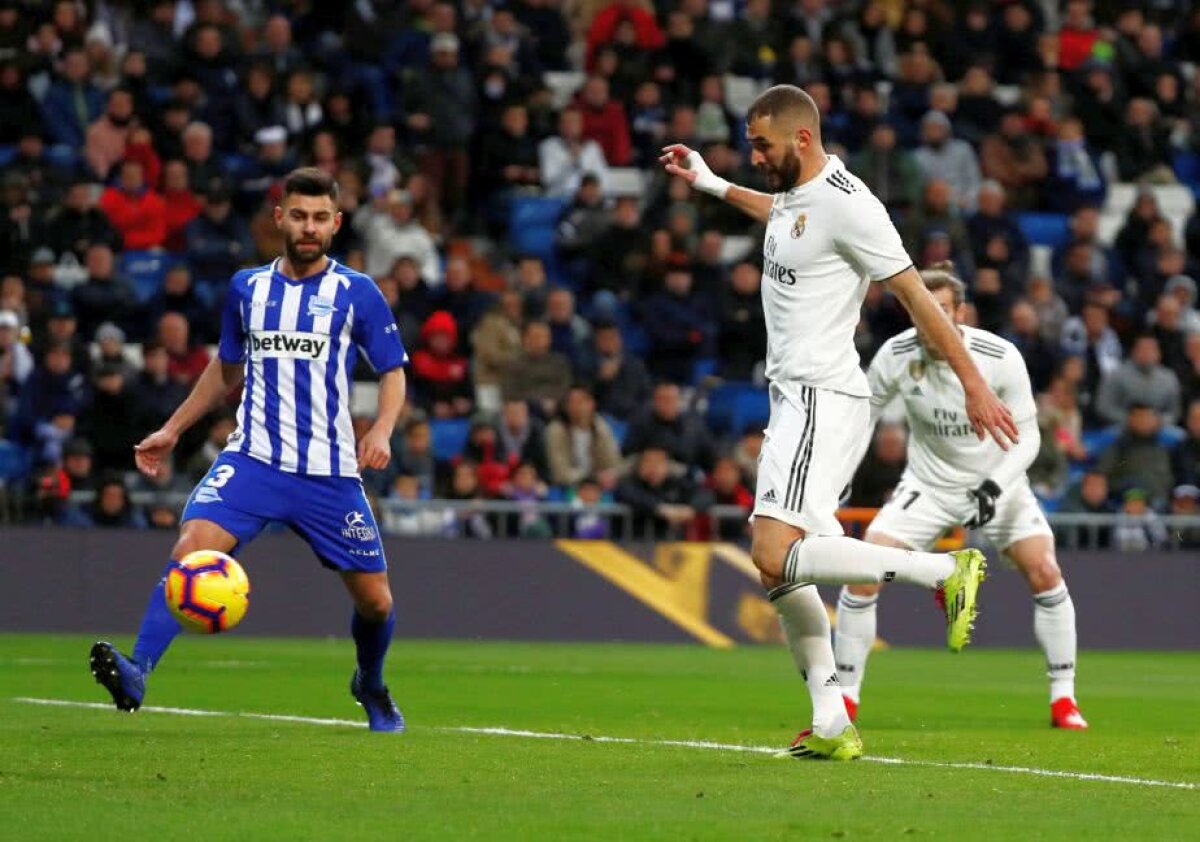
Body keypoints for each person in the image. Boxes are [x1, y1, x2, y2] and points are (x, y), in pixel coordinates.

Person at [661, 84, 1015, 760]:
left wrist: (972, 384)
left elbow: (917, 296)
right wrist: (711, 182)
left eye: (761, 145)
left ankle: (945, 573)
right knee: (784, 574)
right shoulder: (801, 196)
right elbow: (784, 218)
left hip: (821, 398)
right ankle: (830, 723)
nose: (755, 156)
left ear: (800, 138)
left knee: (770, 551)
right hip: (798, 398)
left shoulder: (854, 207)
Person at [88, 169, 411, 733]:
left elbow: (392, 372)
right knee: (193, 546)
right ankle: (137, 669)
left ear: (335, 224)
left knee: (377, 603)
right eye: (299, 215)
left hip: (328, 475)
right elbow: (226, 370)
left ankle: (371, 684)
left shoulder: (357, 292)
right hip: (253, 461)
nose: (308, 228)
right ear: (279, 216)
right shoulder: (248, 288)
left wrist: (381, 430)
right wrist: (174, 428)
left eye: (320, 218)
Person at [834, 267, 1088, 732]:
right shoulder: (895, 354)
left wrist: (994, 485)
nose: (930, 321)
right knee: (863, 571)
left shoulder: (999, 356)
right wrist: (838, 475)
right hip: (928, 486)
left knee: (1045, 571)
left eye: (941, 311)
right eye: (919, 310)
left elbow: (1028, 438)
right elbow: (863, 416)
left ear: (961, 313)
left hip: (999, 481)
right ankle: (845, 699)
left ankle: (1064, 699)